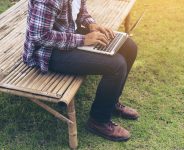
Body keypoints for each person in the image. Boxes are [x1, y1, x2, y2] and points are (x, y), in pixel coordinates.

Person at [23, 0, 139, 141]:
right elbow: (40, 36)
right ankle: (98, 121)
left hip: (70, 33)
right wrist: (83, 39)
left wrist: (92, 25)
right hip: (47, 52)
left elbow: (81, 11)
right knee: (116, 65)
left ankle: (111, 102)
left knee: (129, 46)